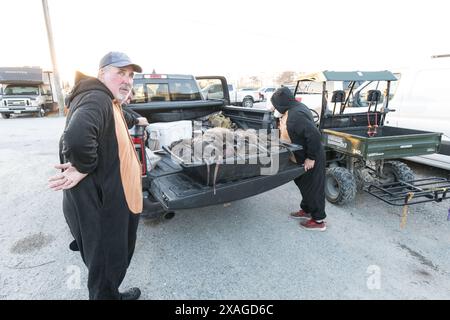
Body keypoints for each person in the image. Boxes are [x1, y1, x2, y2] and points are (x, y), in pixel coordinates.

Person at [48, 52, 144, 299]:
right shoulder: (96, 98)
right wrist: (84, 166)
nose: (127, 80)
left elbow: (119, 115)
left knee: (109, 261)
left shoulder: (106, 99)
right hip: (103, 203)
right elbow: (77, 136)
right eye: (120, 73)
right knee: (106, 263)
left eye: (131, 75)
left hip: (107, 198)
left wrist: (136, 117)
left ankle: (111, 293)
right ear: (102, 74)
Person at [271, 87, 327, 231]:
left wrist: (311, 158)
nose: (275, 108)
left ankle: (318, 220)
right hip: (300, 156)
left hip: (311, 157)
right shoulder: (293, 108)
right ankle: (306, 210)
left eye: (276, 105)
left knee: (314, 188)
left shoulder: (297, 115)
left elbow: (314, 135)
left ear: (282, 104)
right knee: (304, 185)